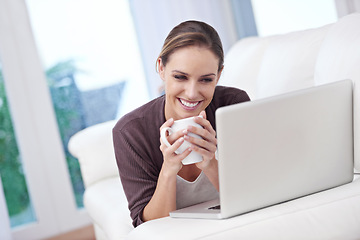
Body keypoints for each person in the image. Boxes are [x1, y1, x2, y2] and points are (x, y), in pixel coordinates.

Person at [113, 20, 250, 227]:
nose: (192, 93)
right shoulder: (130, 132)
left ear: (219, 75)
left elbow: (252, 196)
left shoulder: (233, 105)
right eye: (180, 77)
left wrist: (210, 163)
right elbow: (148, 226)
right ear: (161, 67)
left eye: (206, 80)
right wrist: (169, 168)